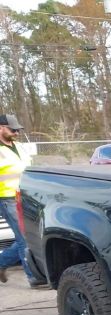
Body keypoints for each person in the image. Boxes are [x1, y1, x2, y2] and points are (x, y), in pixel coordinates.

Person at [0, 114, 44, 288]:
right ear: (1, 128)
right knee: (24, 237)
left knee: (28, 236)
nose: (17, 132)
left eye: (18, 129)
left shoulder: (19, 147)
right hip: (7, 198)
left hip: (25, 196)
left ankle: (2, 262)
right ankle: (34, 277)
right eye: (13, 129)